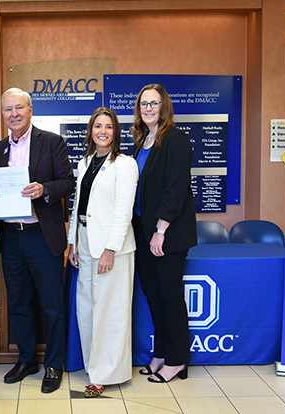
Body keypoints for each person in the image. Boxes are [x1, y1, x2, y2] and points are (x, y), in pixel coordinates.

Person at [0, 88, 75, 393]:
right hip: (11, 237)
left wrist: (43, 189)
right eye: (8, 110)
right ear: (3, 115)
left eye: (19, 108)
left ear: (30, 110)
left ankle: (53, 365)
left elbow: (67, 182)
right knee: (18, 302)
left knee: (51, 304)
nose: (14, 114)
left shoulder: (51, 142)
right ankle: (25, 360)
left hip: (41, 235)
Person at [66, 107, 138, 398]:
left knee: (111, 312)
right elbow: (77, 205)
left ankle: (107, 373)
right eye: (98, 126)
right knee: (87, 310)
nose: (103, 131)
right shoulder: (85, 162)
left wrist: (110, 249)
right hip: (84, 242)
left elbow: (123, 211)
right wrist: (72, 242)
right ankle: (93, 364)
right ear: (90, 131)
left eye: (109, 127)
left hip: (112, 249)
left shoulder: (125, 164)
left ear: (116, 131)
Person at [131, 83, 197, 383]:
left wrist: (160, 230)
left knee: (170, 297)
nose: (148, 108)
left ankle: (178, 360)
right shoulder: (142, 141)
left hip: (166, 235)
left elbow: (175, 190)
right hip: (143, 233)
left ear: (163, 106)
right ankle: (160, 353)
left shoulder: (176, 140)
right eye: (143, 103)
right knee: (153, 296)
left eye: (153, 103)